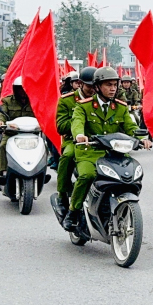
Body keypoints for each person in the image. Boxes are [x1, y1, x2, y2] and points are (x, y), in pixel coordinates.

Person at [65, 67, 151, 231]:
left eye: (114, 85)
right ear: (97, 86)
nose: (112, 88)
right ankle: (73, 212)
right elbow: (77, 122)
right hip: (90, 152)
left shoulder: (120, 107)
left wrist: (142, 139)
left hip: (116, 153)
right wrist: (79, 136)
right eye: (108, 85)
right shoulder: (84, 106)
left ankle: (124, 205)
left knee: (130, 175)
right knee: (87, 175)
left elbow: (131, 127)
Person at [53, 66, 97, 217]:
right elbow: (60, 126)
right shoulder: (67, 100)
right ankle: (62, 194)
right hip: (73, 141)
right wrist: (78, 124)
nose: (92, 90)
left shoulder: (100, 99)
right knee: (67, 156)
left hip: (97, 141)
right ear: (80, 83)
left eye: (95, 86)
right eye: (89, 86)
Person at [0, 77, 35, 185]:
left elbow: (43, 113)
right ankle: (3, 171)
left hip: (32, 134)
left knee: (44, 147)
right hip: (12, 133)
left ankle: (41, 170)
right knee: (3, 146)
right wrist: (0, 122)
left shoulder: (35, 100)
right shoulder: (7, 101)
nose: (23, 90)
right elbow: (1, 114)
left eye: (25, 88)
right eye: (20, 88)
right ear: (15, 89)